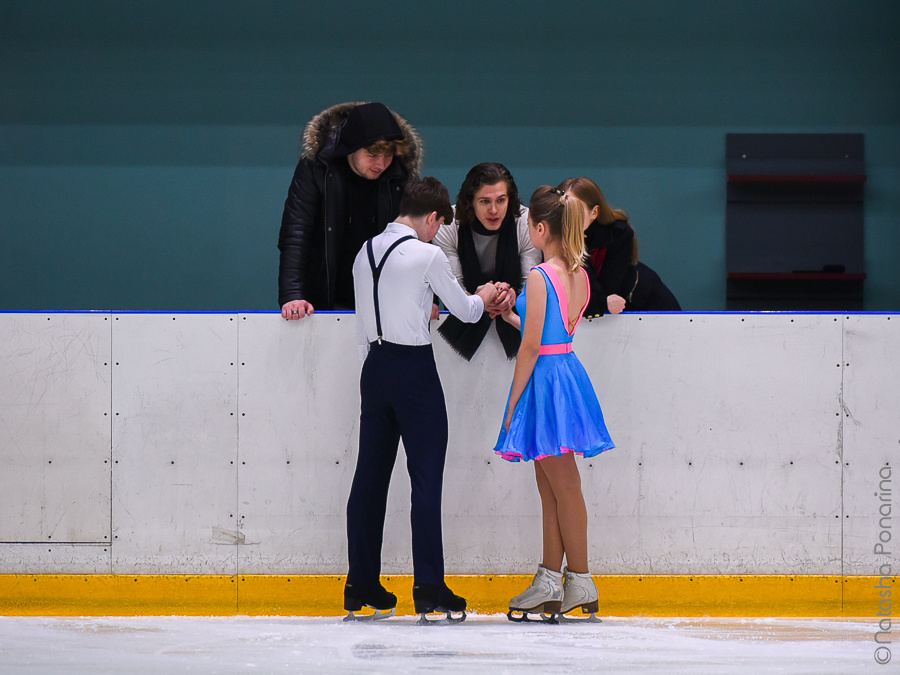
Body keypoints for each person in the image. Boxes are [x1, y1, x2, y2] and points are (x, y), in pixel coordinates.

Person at [346, 177, 498, 623]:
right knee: (426, 479)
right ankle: (429, 587)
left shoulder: (365, 251)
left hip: (372, 367)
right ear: (432, 217)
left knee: (369, 479)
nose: (437, 234)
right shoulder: (427, 253)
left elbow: (371, 314)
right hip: (413, 371)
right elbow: (468, 311)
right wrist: (484, 296)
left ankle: (361, 585)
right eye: (439, 226)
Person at [494, 185, 615, 623]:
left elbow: (530, 348)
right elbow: (554, 328)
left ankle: (579, 578)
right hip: (565, 373)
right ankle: (550, 579)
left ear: (541, 228)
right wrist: (512, 314)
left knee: (564, 487)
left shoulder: (541, 275)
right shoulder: (578, 276)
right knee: (550, 491)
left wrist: (512, 407)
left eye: (529, 225)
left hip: (545, 381)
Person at [278, 101, 423, 319]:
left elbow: (420, 240)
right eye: (372, 155)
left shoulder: (401, 176)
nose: (381, 164)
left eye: (388, 155)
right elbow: (296, 233)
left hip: (386, 301)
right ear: (351, 147)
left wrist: (426, 297)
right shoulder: (317, 169)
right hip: (325, 297)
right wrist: (293, 294)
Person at [433, 163, 542, 360]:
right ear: (470, 202)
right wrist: (481, 300)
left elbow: (531, 283)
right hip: (465, 319)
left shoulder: (526, 221)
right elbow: (454, 286)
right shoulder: (449, 224)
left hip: (517, 325)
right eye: (484, 201)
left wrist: (511, 297)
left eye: (501, 200)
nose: (494, 210)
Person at [557, 177, 681, 317]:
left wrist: (575, 245)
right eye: (564, 208)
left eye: (576, 209)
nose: (569, 216)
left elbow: (603, 293)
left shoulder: (618, 234)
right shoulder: (553, 233)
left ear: (594, 213)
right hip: (608, 314)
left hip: (645, 304)